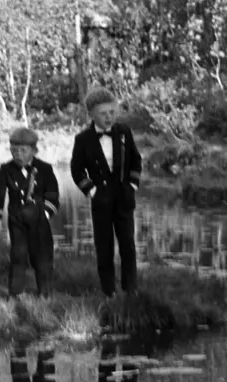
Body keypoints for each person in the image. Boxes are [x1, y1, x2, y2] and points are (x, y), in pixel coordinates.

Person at [69, 88, 142, 301]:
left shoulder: (124, 132)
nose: (109, 117)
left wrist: (132, 186)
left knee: (128, 244)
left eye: (112, 112)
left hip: (124, 198)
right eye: (103, 113)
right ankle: (108, 291)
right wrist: (92, 191)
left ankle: (131, 290)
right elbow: (77, 169)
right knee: (104, 245)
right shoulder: (83, 139)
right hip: (101, 200)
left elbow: (136, 161)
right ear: (91, 114)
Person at [0, 128, 61, 297]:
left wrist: (45, 214)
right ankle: (16, 292)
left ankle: (45, 292)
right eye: (14, 150)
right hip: (16, 218)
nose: (18, 154)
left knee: (42, 256)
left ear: (34, 151)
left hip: (38, 217)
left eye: (23, 150)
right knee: (18, 255)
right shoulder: (6, 170)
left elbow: (53, 195)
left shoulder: (44, 169)